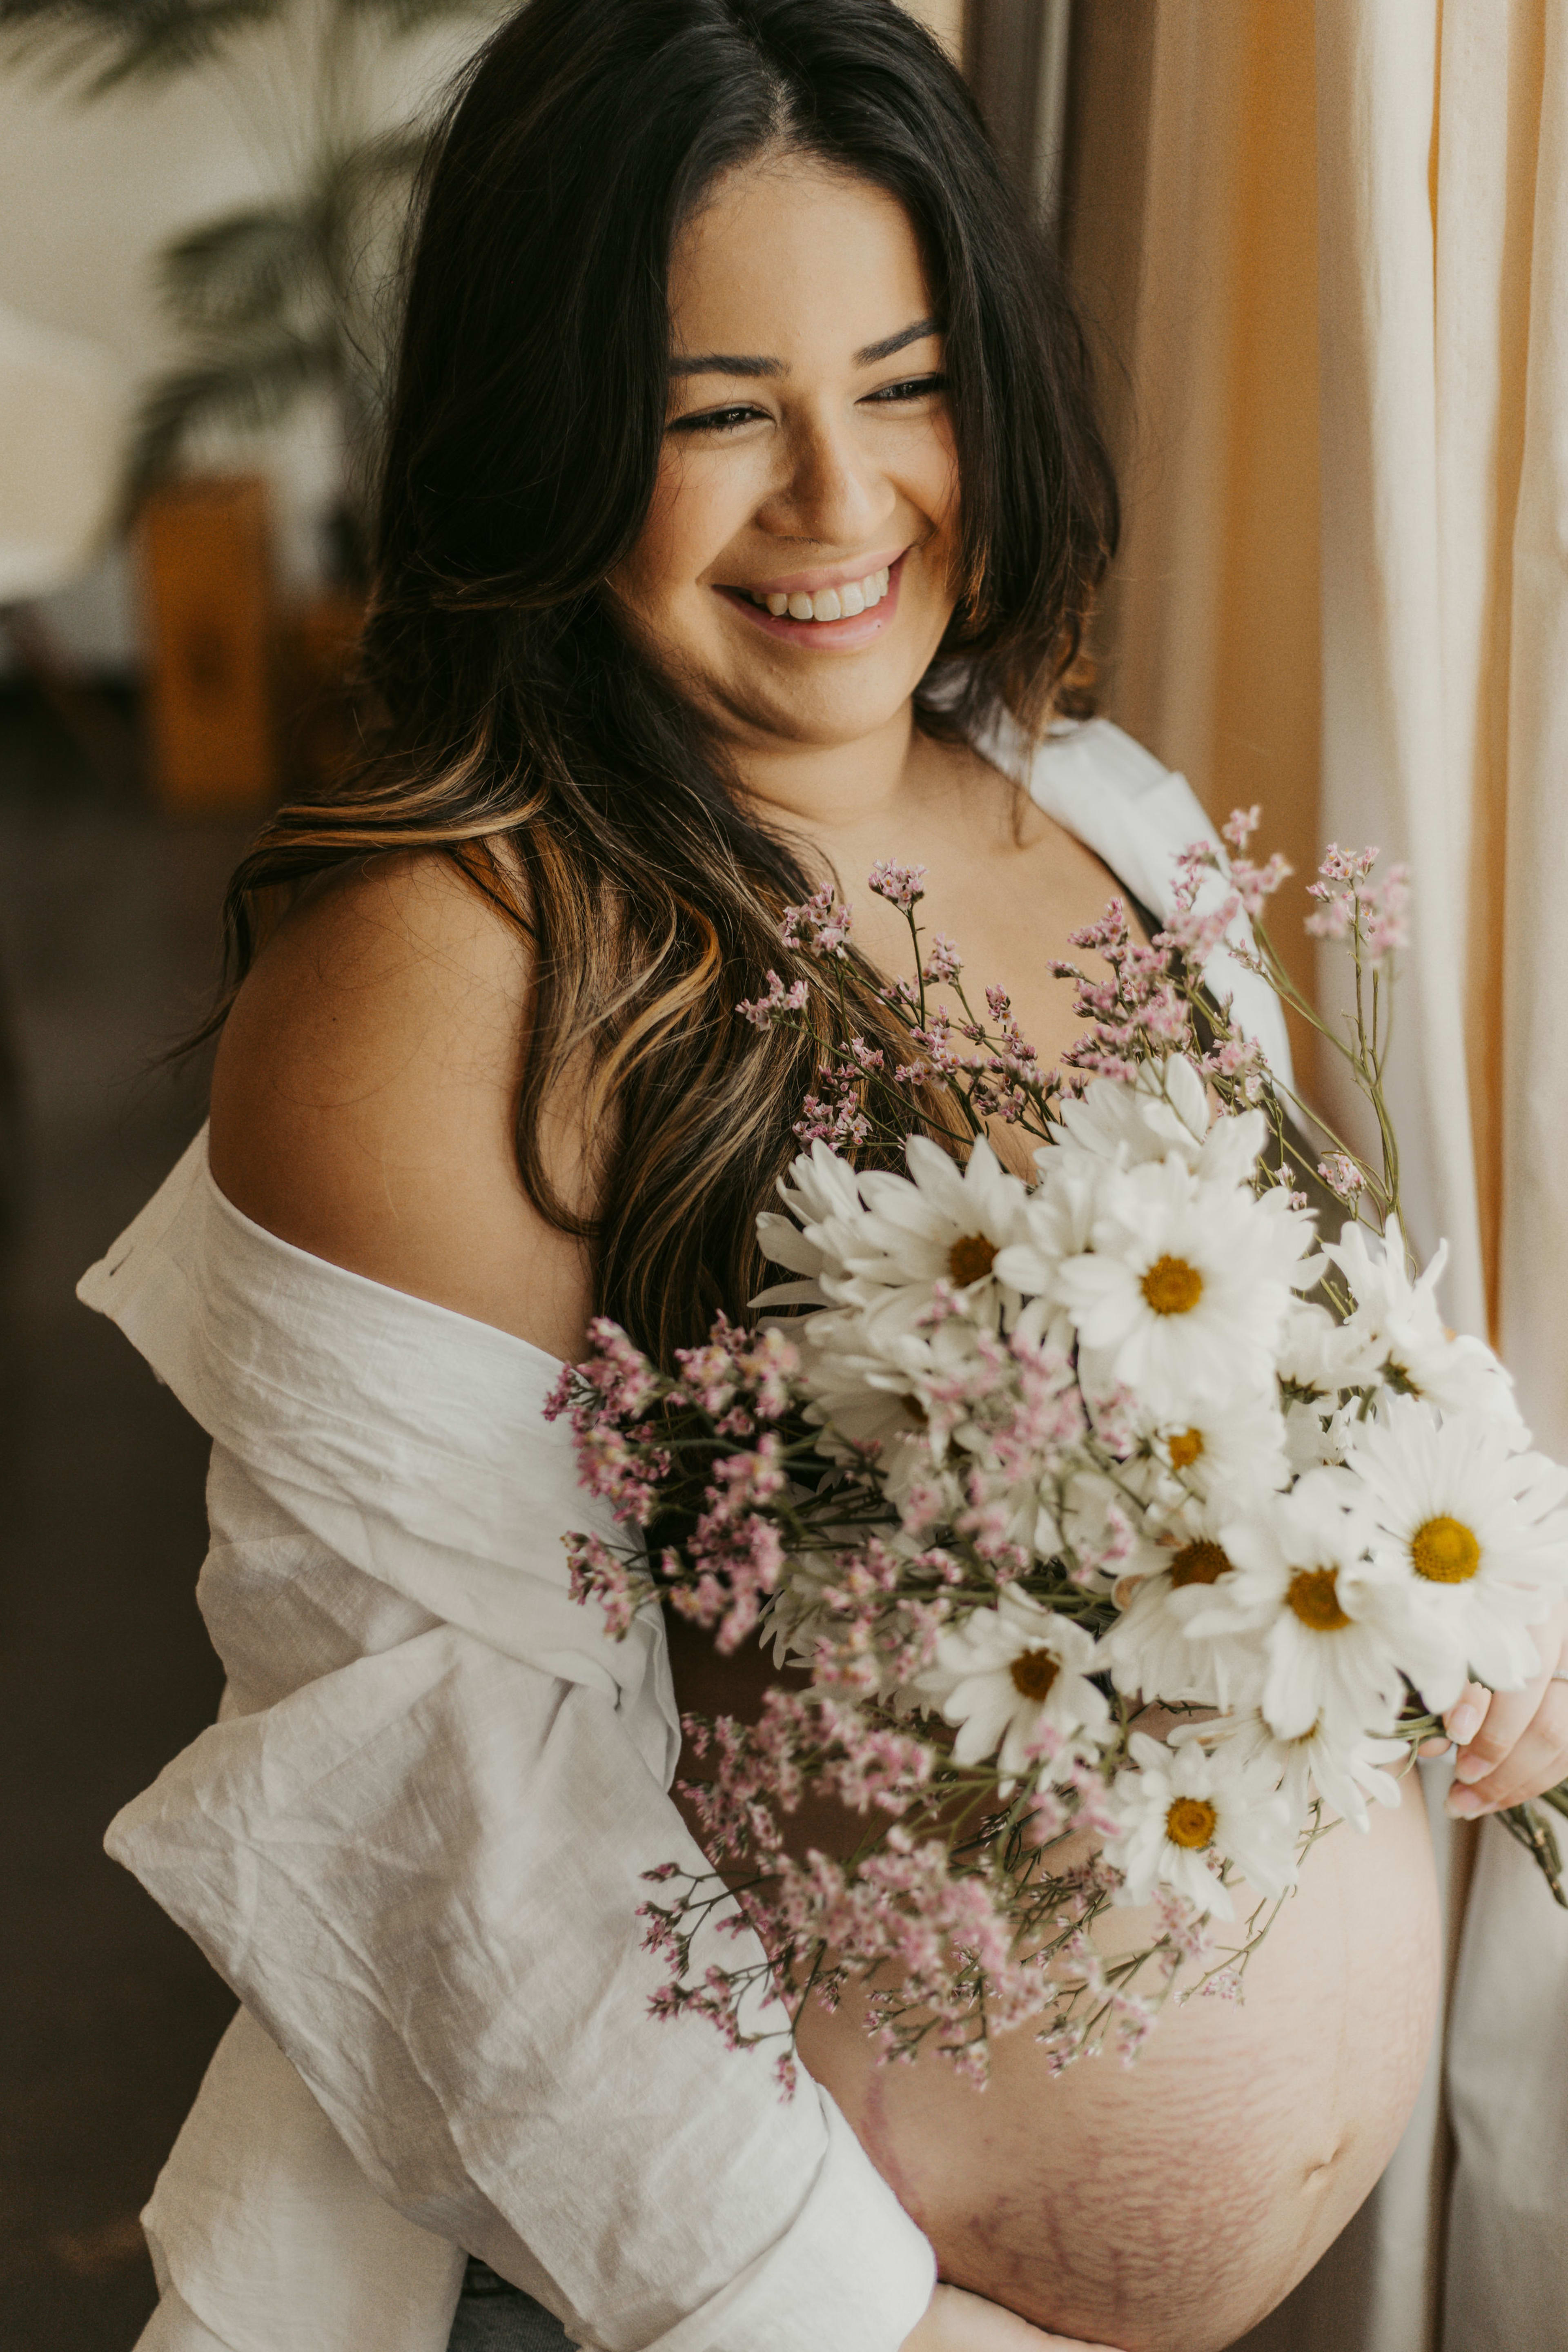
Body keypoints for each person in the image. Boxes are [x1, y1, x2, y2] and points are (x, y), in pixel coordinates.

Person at [82, 6, 1568, 2351]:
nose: (842, 500)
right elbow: (447, 1834)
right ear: (549, 443)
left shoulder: (1108, 812)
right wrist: (870, 2328)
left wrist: (1470, 1613)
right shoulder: (453, 983)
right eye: (711, 419)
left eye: (904, 383)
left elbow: (1309, 1375)